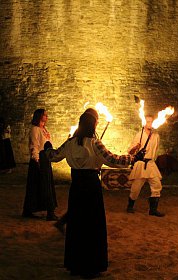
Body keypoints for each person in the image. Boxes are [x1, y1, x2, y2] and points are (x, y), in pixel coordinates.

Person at [45, 108, 141, 278]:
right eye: (96, 122)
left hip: (76, 188)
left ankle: (75, 265)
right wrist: (133, 158)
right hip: (91, 188)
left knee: (77, 225)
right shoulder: (96, 144)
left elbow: (53, 156)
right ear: (93, 125)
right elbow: (114, 160)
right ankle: (91, 266)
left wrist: (46, 150)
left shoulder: (70, 142)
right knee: (92, 225)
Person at [22, 109, 58, 221]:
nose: (47, 116)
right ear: (39, 116)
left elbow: (47, 144)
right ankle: (47, 212)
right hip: (39, 160)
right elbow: (34, 145)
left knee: (45, 185)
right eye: (45, 115)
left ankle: (43, 211)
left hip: (45, 159)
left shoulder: (43, 129)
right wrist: (36, 160)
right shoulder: (35, 129)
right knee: (39, 185)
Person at [126, 115, 165, 217]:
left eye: (151, 122)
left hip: (151, 164)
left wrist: (152, 160)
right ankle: (130, 206)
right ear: (144, 123)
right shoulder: (139, 135)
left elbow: (155, 150)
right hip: (141, 164)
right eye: (148, 122)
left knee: (157, 186)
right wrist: (135, 147)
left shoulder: (156, 136)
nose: (150, 124)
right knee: (136, 188)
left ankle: (153, 210)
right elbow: (130, 151)